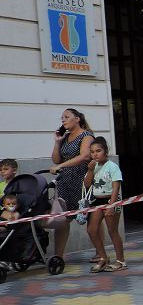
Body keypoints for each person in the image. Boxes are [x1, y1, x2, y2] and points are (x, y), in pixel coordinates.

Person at [49, 108, 95, 257]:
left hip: (82, 180)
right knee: (63, 219)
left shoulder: (86, 135)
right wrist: (57, 143)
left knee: (90, 216)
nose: (63, 120)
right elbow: (56, 160)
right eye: (61, 118)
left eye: (67, 117)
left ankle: (99, 253)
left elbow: (85, 156)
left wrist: (61, 166)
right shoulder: (65, 137)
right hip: (65, 181)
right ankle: (58, 256)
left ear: (77, 119)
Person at [83, 137, 126, 272]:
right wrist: (90, 171)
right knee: (91, 229)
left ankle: (120, 261)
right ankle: (103, 257)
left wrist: (111, 205)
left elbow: (116, 187)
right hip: (97, 201)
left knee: (112, 231)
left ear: (106, 152)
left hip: (110, 200)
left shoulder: (113, 167)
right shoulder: (93, 166)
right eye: (92, 152)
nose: (95, 154)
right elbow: (87, 184)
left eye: (98, 151)